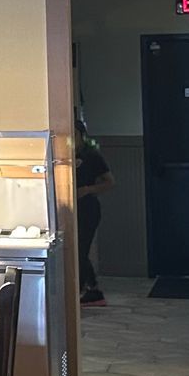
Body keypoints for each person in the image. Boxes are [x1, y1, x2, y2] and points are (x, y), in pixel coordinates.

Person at [75, 121, 115, 307]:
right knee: (74, 250)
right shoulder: (63, 155)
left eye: (74, 134)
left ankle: (93, 290)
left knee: (80, 250)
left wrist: (88, 189)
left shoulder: (91, 155)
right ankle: (83, 288)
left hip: (87, 208)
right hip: (68, 210)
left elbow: (109, 182)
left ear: (81, 135)